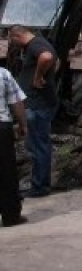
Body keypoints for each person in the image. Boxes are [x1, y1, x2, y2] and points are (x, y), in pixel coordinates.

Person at [8, 25, 59, 197]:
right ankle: (39, 183)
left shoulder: (35, 45)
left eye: (12, 41)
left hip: (38, 105)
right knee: (36, 144)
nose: (13, 45)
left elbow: (47, 57)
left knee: (38, 146)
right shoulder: (41, 42)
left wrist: (37, 78)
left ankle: (40, 187)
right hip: (41, 103)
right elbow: (55, 62)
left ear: (17, 36)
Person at [0, 66, 28, 227]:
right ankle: (10, 216)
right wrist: (23, 124)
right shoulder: (3, 73)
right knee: (6, 172)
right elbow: (16, 102)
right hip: (1, 128)